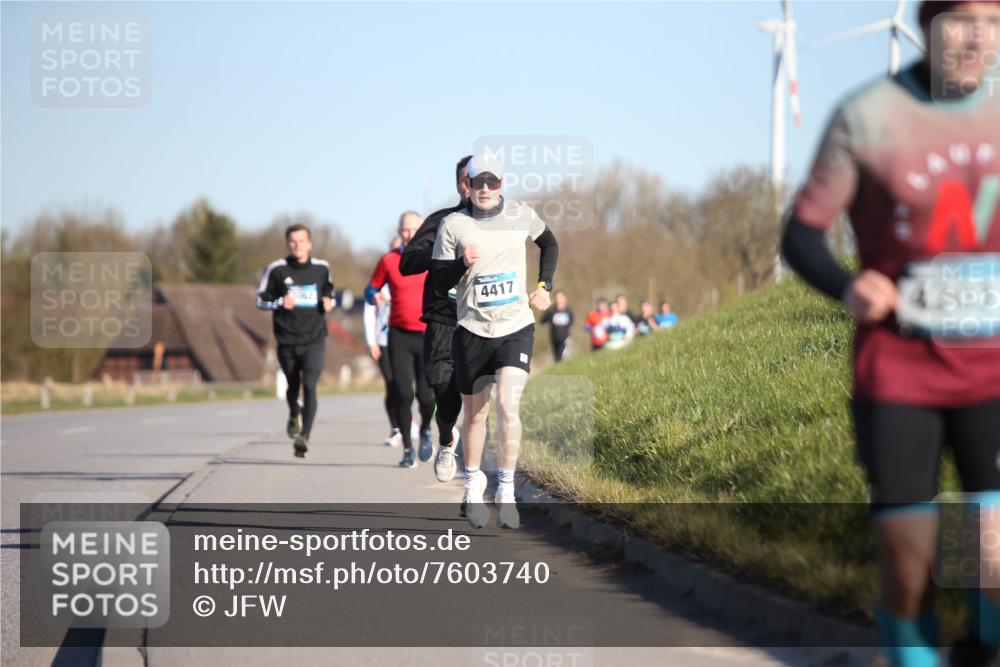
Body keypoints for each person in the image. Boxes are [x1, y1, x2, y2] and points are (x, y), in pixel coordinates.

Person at [781, 3, 1000, 665]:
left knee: (990, 551)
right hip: (900, 371)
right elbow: (801, 234)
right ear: (927, 23)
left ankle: (983, 644)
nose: (979, 37)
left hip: (991, 371)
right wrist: (848, 285)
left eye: (995, 22)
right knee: (910, 567)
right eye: (963, 20)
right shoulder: (868, 114)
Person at [431, 154, 558, 529]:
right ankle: (473, 486)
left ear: (502, 184)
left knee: (507, 405)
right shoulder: (453, 225)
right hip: (472, 330)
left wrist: (544, 286)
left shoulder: (520, 214)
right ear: (467, 185)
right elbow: (437, 283)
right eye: (478, 182)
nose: (485, 189)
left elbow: (549, 244)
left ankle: (505, 489)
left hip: (515, 326)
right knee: (476, 415)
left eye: (492, 182)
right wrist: (461, 264)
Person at [399, 156, 472, 482]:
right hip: (444, 318)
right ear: (459, 185)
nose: (474, 186)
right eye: (467, 179)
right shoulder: (442, 221)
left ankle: (476, 473)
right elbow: (408, 263)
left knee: (479, 399)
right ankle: (446, 439)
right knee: (443, 391)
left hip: (484, 321)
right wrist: (444, 251)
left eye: (481, 179)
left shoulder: (501, 225)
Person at [256, 223, 335, 458]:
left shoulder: (322, 268)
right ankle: (293, 412)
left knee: (309, 385)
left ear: (309, 244)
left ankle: (305, 436)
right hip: (287, 340)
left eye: (301, 240)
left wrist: (329, 302)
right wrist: (281, 302)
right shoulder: (277, 269)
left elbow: (329, 292)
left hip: (314, 338)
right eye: (292, 241)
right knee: (292, 385)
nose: (297, 245)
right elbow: (260, 299)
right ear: (287, 244)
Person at [366, 211, 436, 468]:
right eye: (405, 229)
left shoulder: (434, 256)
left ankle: (426, 428)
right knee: (403, 393)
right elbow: (370, 288)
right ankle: (407, 449)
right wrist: (373, 295)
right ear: (399, 232)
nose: (410, 234)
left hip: (428, 334)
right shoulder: (389, 260)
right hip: (399, 335)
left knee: (427, 398)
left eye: (415, 229)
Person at [364, 238, 402, 448]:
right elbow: (369, 311)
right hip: (384, 341)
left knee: (407, 385)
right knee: (391, 384)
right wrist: (372, 342)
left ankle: (411, 422)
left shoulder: (414, 274)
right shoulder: (382, 280)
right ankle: (396, 428)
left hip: (408, 339)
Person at [541, 290, 574, 361]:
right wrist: (545, 311)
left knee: (563, 356)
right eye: (557, 297)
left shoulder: (568, 310)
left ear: (564, 298)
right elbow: (543, 321)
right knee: (557, 358)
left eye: (560, 297)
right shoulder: (552, 310)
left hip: (565, 337)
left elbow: (572, 321)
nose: (558, 299)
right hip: (554, 337)